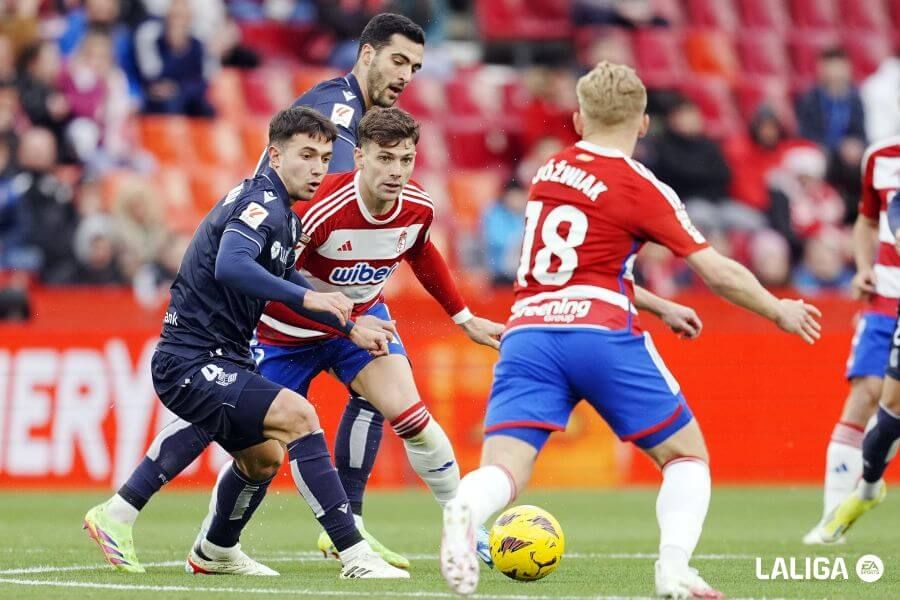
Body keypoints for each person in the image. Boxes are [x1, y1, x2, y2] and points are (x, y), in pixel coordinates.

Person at [438, 61, 821, 598]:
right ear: (643, 125)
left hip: (528, 332)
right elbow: (717, 270)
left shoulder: (548, 172)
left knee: (507, 468)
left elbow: (576, 264)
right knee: (685, 456)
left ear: (577, 117)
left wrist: (658, 303)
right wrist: (776, 308)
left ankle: (464, 509)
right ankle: (673, 570)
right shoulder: (641, 186)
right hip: (600, 334)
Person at [82, 106, 407, 579]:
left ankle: (211, 548)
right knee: (298, 416)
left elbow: (280, 279)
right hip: (191, 358)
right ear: (274, 156)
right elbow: (231, 266)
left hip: (220, 356)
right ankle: (356, 555)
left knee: (263, 458)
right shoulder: (261, 205)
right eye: (306, 155)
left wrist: (351, 325)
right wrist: (308, 297)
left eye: (324, 157)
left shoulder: (286, 218)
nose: (318, 167)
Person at [257, 13, 428, 565]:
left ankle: (346, 524)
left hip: (296, 276)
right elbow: (321, 207)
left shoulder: (351, 108)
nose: (405, 75)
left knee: (368, 381)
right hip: (277, 277)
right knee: (232, 418)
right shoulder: (340, 110)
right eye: (397, 60)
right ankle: (124, 508)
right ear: (366, 54)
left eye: (416, 67)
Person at [804, 136, 900, 544]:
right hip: (885, 297)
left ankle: (868, 483)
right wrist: (862, 266)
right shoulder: (880, 157)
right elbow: (867, 220)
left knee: (893, 408)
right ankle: (833, 516)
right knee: (866, 392)